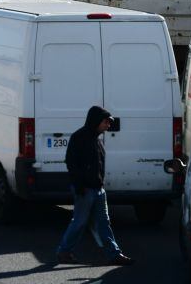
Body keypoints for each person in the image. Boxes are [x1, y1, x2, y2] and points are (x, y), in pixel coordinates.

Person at [55, 106, 133, 266]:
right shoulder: (79, 137)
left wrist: (100, 184)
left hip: (98, 189)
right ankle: (64, 251)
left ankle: (114, 254)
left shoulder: (96, 139)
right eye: (105, 122)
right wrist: (79, 185)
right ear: (96, 121)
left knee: (104, 222)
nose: (108, 125)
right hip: (85, 189)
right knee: (80, 221)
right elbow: (71, 162)